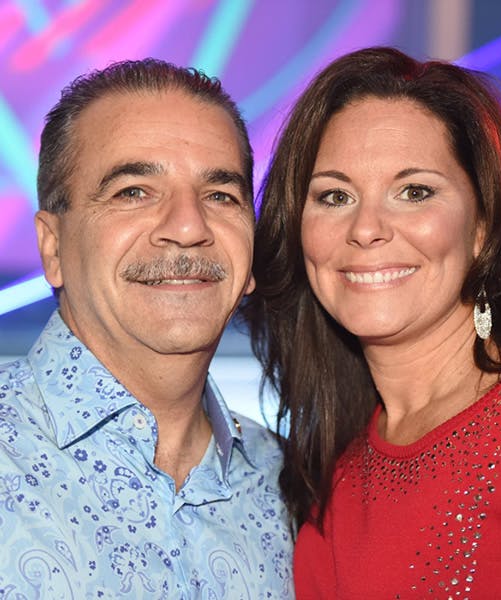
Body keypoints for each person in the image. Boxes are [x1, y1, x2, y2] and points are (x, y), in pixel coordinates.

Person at [244, 46, 501, 598]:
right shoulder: (330, 482)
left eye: (414, 192)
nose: (366, 229)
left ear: (482, 226)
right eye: (335, 196)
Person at [0, 59, 294, 598]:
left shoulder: (291, 488)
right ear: (53, 248)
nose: (188, 226)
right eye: (133, 191)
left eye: (220, 195)